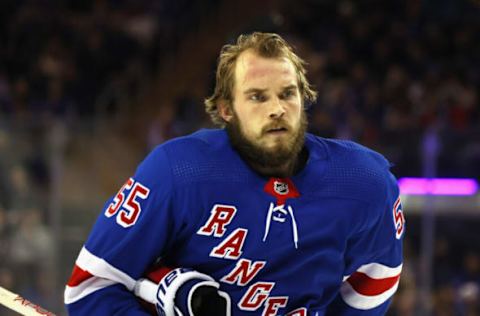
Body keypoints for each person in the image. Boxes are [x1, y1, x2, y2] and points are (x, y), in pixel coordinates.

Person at [64, 32, 405, 316]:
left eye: (288, 94)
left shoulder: (366, 182)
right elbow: (90, 288)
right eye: (257, 97)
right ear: (227, 109)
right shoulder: (177, 171)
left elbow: (377, 279)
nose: (276, 109)